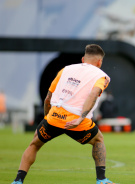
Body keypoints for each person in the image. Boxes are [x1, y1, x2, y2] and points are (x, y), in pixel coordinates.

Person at [11, 44, 116, 184]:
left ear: (83, 59)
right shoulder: (102, 76)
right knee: (98, 141)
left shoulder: (66, 69)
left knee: (34, 144)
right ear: (99, 62)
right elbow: (94, 94)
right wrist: (80, 118)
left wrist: (46, 119)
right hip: (76, 121)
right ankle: (101, 179)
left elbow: (49, 97)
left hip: (54, 116)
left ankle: (18, 180)